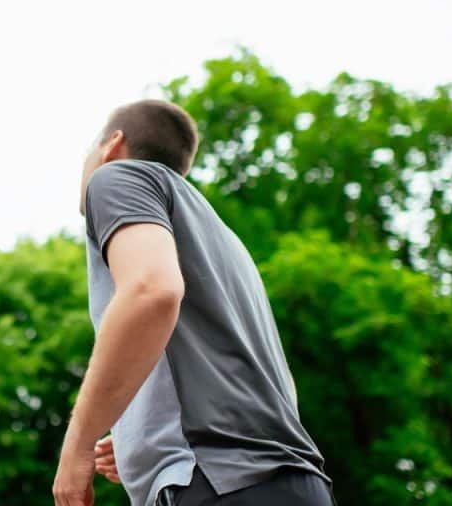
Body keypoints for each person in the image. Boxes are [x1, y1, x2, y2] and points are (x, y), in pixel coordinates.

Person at [53, 100, 333, 506]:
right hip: (294, 484)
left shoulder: (117, 177)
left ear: (112, 144)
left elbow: (151, 292)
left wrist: (77, 446)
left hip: (216, 484)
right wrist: (142, 439)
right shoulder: (223, 242)